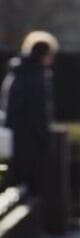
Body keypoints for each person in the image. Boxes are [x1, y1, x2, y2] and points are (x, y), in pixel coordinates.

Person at [1, 31, 58, 197]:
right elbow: (38, 112)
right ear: (45, 55)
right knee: (32, 191)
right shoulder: (36, 76)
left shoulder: (17, 72)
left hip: (16, 138)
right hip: (31, 143)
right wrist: (45, 139)